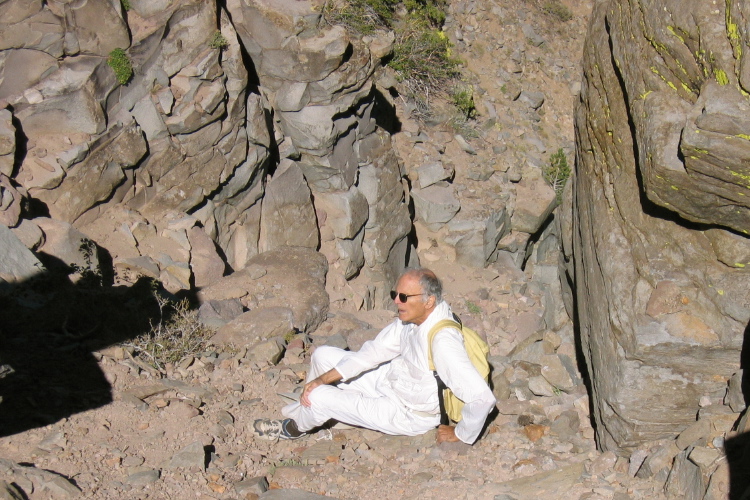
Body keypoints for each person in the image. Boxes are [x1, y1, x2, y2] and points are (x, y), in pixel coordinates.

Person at [252, 267, 496, 444]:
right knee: (323, 356)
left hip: (407, 411)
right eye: (395, 294)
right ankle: (320, 414)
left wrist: (461, 433)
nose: (396, 302)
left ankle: (295, 428)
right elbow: (374, 352)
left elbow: (482, 398)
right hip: (391, 382)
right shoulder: (412, 319)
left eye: (403, 297)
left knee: (319, 397)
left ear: (429, 301)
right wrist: (321, 379)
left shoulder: (443, 340)